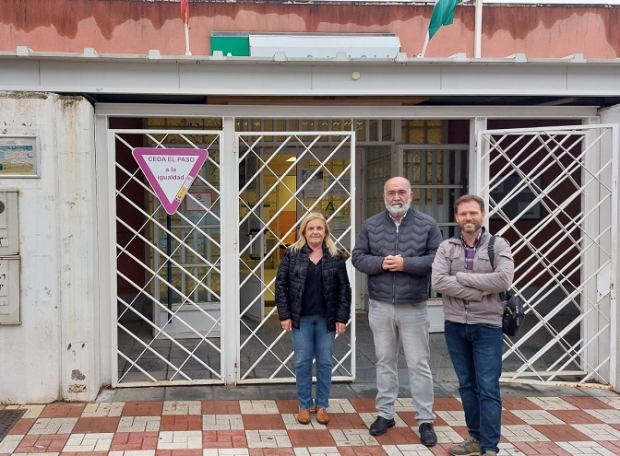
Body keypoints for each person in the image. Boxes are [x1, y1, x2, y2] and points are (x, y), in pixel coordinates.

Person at [352, 176, 442, 446]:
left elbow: (438, 259)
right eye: (391, 192)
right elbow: (357, 257)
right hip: (380, 305)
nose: (396, 197)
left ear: (410, 194)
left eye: (401, 191)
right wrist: (382, 263)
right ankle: (385, 414)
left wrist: (406, 264)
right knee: (384, 362)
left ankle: (425, 419)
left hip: (414, 305)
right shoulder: (371, 224)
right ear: (384, 197)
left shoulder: (427, 224)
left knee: (419, 364)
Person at [431, 194, 514, 456]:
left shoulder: (498, 245)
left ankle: (489, 446)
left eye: (473, 213)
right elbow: (439, 283)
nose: (468, 218)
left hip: (487, 326)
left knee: (488, 387)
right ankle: (475, 437)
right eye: (463, 214)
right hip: (455, 325)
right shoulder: (447, 247)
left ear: (482, 215)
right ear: (457, 217)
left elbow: (503, 280)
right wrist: (479, 290)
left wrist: (463, 277)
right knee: (467, 385)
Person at [275, 212, 352, 426]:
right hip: (302, 319)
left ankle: (322, 405)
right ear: (304, 232)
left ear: (325, 231)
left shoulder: (335, 256)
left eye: (319, 228)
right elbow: (281, 285)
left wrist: (341, 318)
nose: (315, 232)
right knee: (302, 362)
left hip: (327, 319)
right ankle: (303, 405)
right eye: (311, 228)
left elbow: (344, 289)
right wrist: (285, 315)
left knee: (325, 362)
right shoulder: (293, 254)